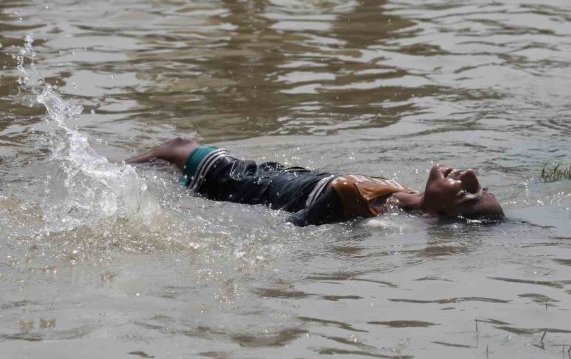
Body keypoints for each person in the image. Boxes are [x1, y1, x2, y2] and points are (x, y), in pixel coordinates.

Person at [125, 137, 506, 226]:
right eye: (482, 187)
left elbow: (295, 226)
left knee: (176, 149)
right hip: (269, 176)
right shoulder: (396, 198)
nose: (470, 177)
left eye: (469, 195)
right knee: (171, 154)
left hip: (240, 183)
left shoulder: (359, 201)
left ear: (435, 214)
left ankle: (98, 166)